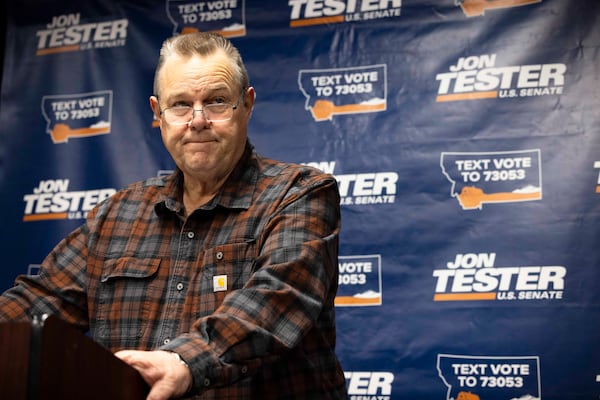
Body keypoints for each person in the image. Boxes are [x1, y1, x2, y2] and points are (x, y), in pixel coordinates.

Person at [0, 32, 347, 399]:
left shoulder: (300, 193)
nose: (197, 120)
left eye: (216, 101)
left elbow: (277, 299)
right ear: (158, 114)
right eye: (180, 104)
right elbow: (36, 303)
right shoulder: (115, 215)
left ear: (246, 105)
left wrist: (185, 360)